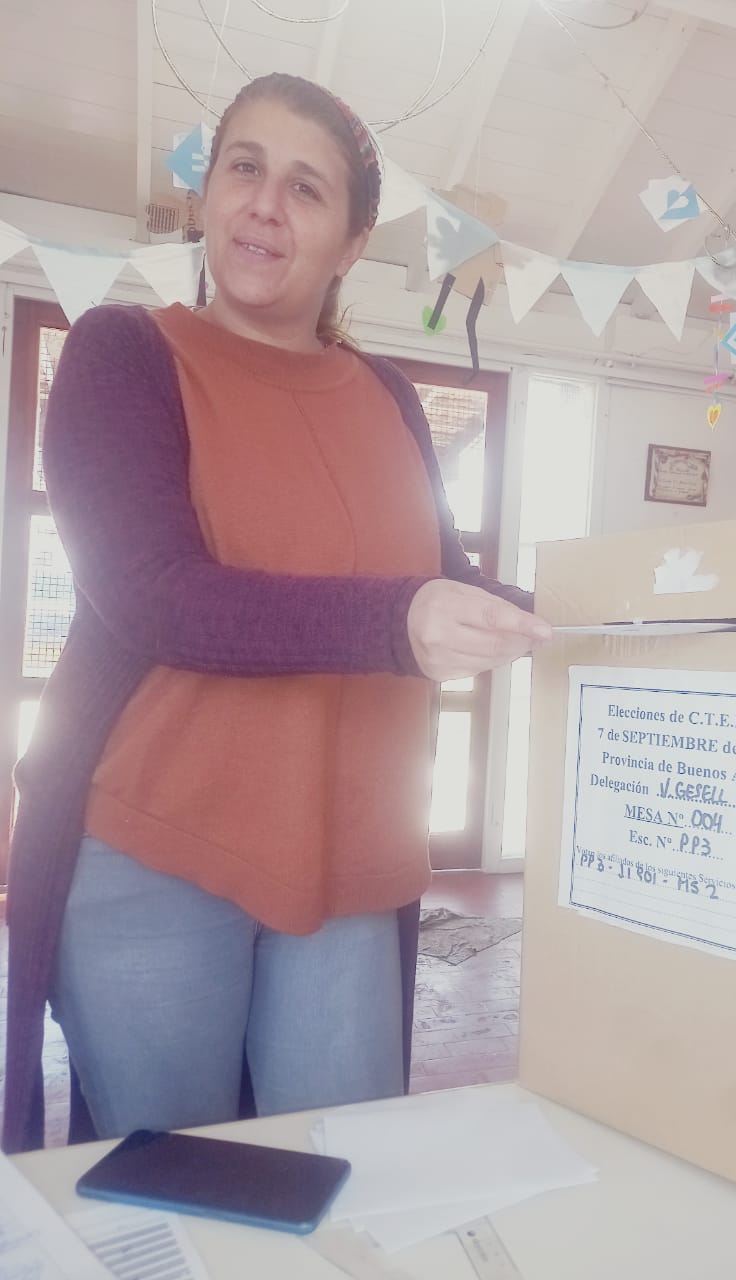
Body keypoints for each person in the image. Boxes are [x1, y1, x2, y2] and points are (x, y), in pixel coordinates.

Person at [1, 72, 551, 1155]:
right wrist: (397, 621)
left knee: (341, 1176)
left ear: (351, 243)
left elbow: (444, 575)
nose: (264, 204)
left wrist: (606, 611)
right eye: (244, 168)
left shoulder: (387, 396)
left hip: (351, 858)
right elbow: (155, 595)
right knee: (182, 1186)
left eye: (306, 187)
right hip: (156, 852)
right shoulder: (125, 353)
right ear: (207, 195)